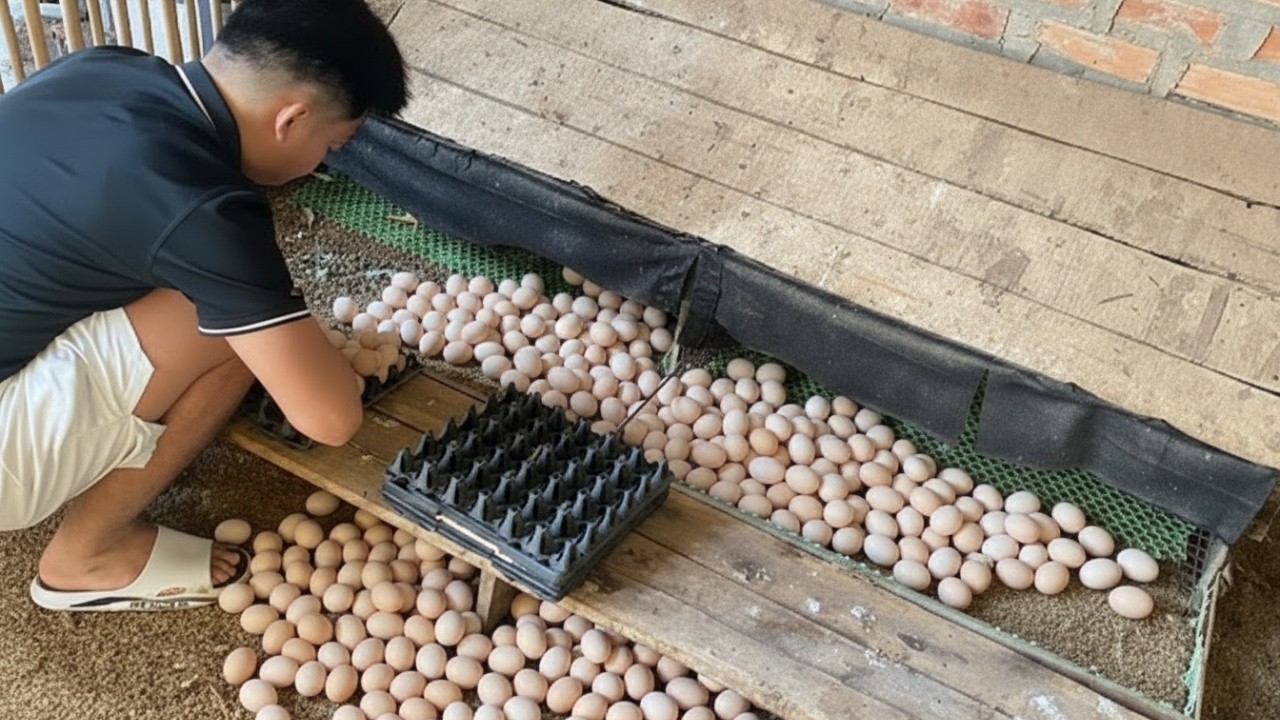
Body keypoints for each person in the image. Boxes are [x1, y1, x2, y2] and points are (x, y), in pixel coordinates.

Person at [0, 0, 408, 611]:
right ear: (291, 118)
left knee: (201, 291)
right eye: (335, 143)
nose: (326, 161)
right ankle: (84, 558)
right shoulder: (207, 209)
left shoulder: (101, 66)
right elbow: (329, 419)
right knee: (227, 329)